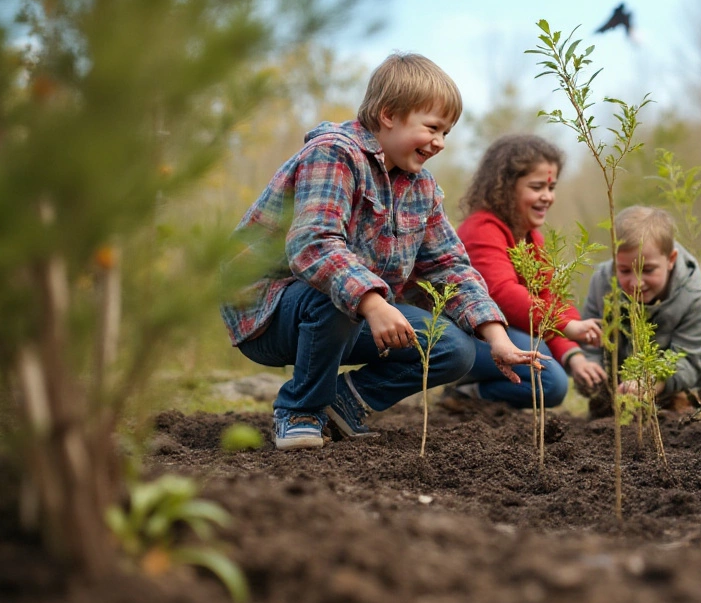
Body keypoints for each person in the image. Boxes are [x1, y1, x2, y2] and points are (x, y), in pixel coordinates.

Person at [221, 53, 536, 450]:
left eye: (447, 133)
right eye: (433, 128)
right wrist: (372, 303)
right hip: (270, 314)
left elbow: (449, 266)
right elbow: (313, 244)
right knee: (335, 293)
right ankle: (300, 408)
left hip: (353, 315)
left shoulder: (421, 186)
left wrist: (496, 336)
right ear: (389, 114)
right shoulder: (334, 153)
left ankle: (342, 401)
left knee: (453, 349)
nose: (439, 142)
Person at [452, 134, 606, 409]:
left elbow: (551, 299)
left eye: (551, 187)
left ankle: (470, 395)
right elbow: (503, 294)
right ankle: (462, 392)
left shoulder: (533, 240)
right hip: (467, 337)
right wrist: (567, 326)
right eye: (537, 187)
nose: (547, 196)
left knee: (553, 384)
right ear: (505, 188)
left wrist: (575, 357)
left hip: (505, 337)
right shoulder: (481, 230)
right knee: (546, 373)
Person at [577, 206, 701, 416]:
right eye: (623, 270)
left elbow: (691, 362)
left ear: (671, 260)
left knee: (680, 414)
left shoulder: (697, 295)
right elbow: (591, 338)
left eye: (647, 270)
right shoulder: (603, 281)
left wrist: (653, 381)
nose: (636, 282)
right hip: (620, 389)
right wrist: (590, 370)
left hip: (676, 388)